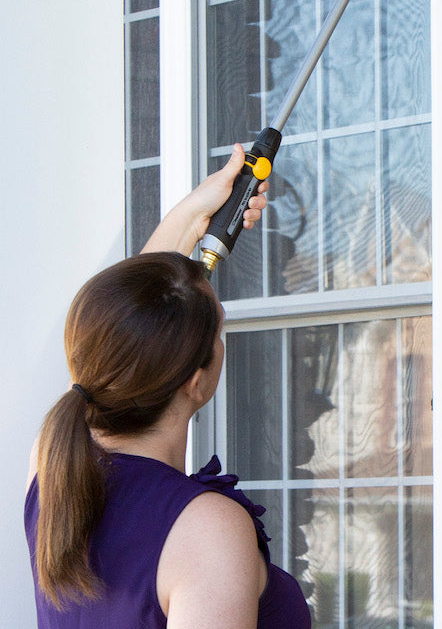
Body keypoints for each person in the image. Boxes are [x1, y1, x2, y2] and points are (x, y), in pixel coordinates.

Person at [24, 144, 311, 629]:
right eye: (217, 332)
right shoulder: (204, 532)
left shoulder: (52, 473)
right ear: (196, 382)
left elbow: (121, 334)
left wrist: (196, 212)